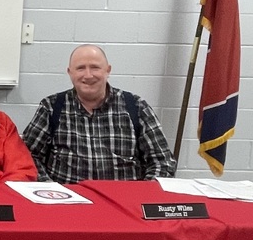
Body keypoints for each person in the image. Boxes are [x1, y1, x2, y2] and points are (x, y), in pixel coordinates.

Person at [22, 44, 176, 183]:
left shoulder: (136, 107)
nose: (88, 75)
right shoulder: (51, 107)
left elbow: (162, 162)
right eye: (80, 68)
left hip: (123, 204)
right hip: (66, 203)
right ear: (70, 73)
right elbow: (27, 157)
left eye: (95, 67)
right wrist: (50, 191)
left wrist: (142, 194)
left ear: (108, 70)